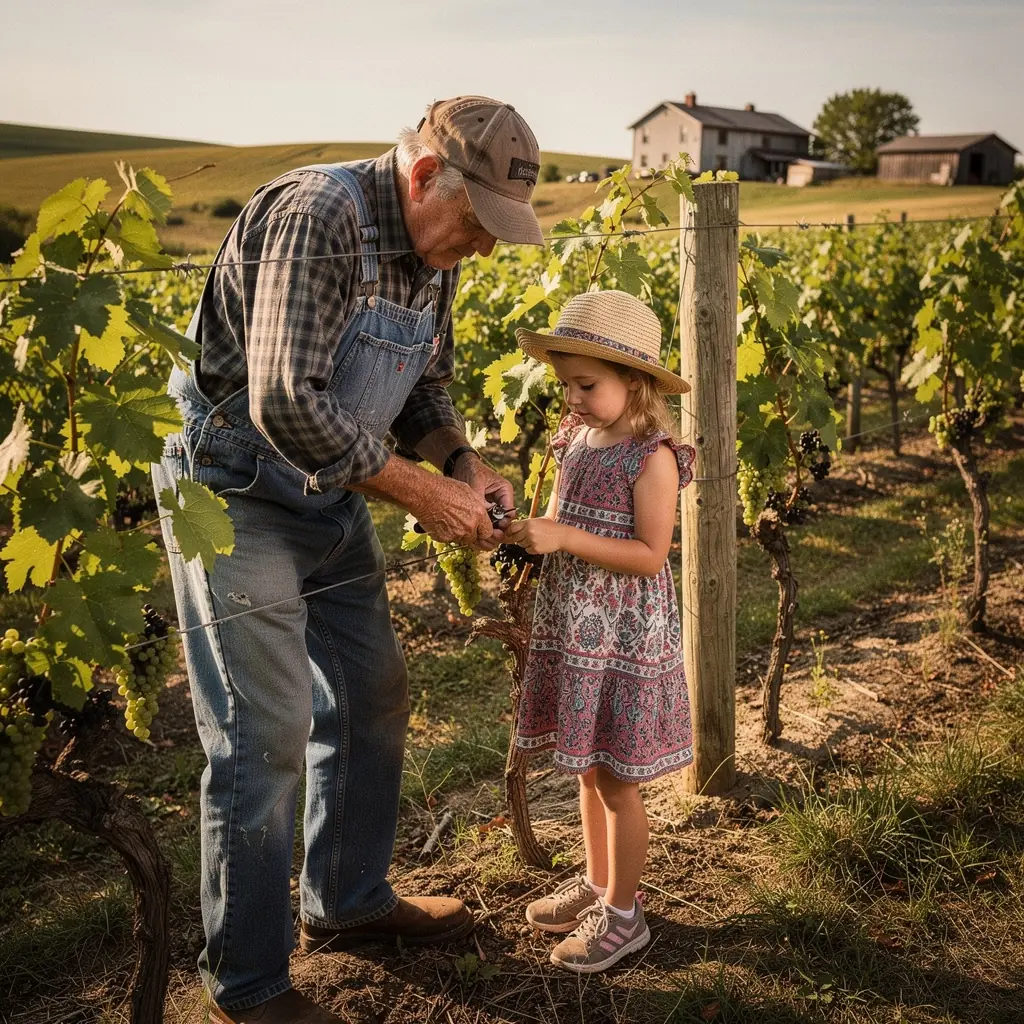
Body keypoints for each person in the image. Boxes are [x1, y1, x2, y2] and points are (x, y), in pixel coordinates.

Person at [152, 96, 544, 1024]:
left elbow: (427, 381)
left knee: (371, 692)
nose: (483, 248)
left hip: (332, 490)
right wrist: (423, 492)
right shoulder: (320, 213)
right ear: (421, 177)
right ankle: (248, 985)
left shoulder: (432, 250)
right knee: (265, 730)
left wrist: (460, 459)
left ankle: (348, 900)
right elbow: (284, 400)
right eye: (477, 224)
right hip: (235, 492)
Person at [506, 290, 696, 973]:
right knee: (587, 768)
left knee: (617, 777)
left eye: (587, 385)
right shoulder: (575, 441)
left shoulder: (654, 458)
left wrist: (564, 535)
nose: (574, 399)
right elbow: (557, 522)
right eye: (567, 386)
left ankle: (625, 914)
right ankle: (596, 883)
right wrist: (526, 534)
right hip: (576, 632)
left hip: (622, 639)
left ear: (635, 382)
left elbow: (649, 556)